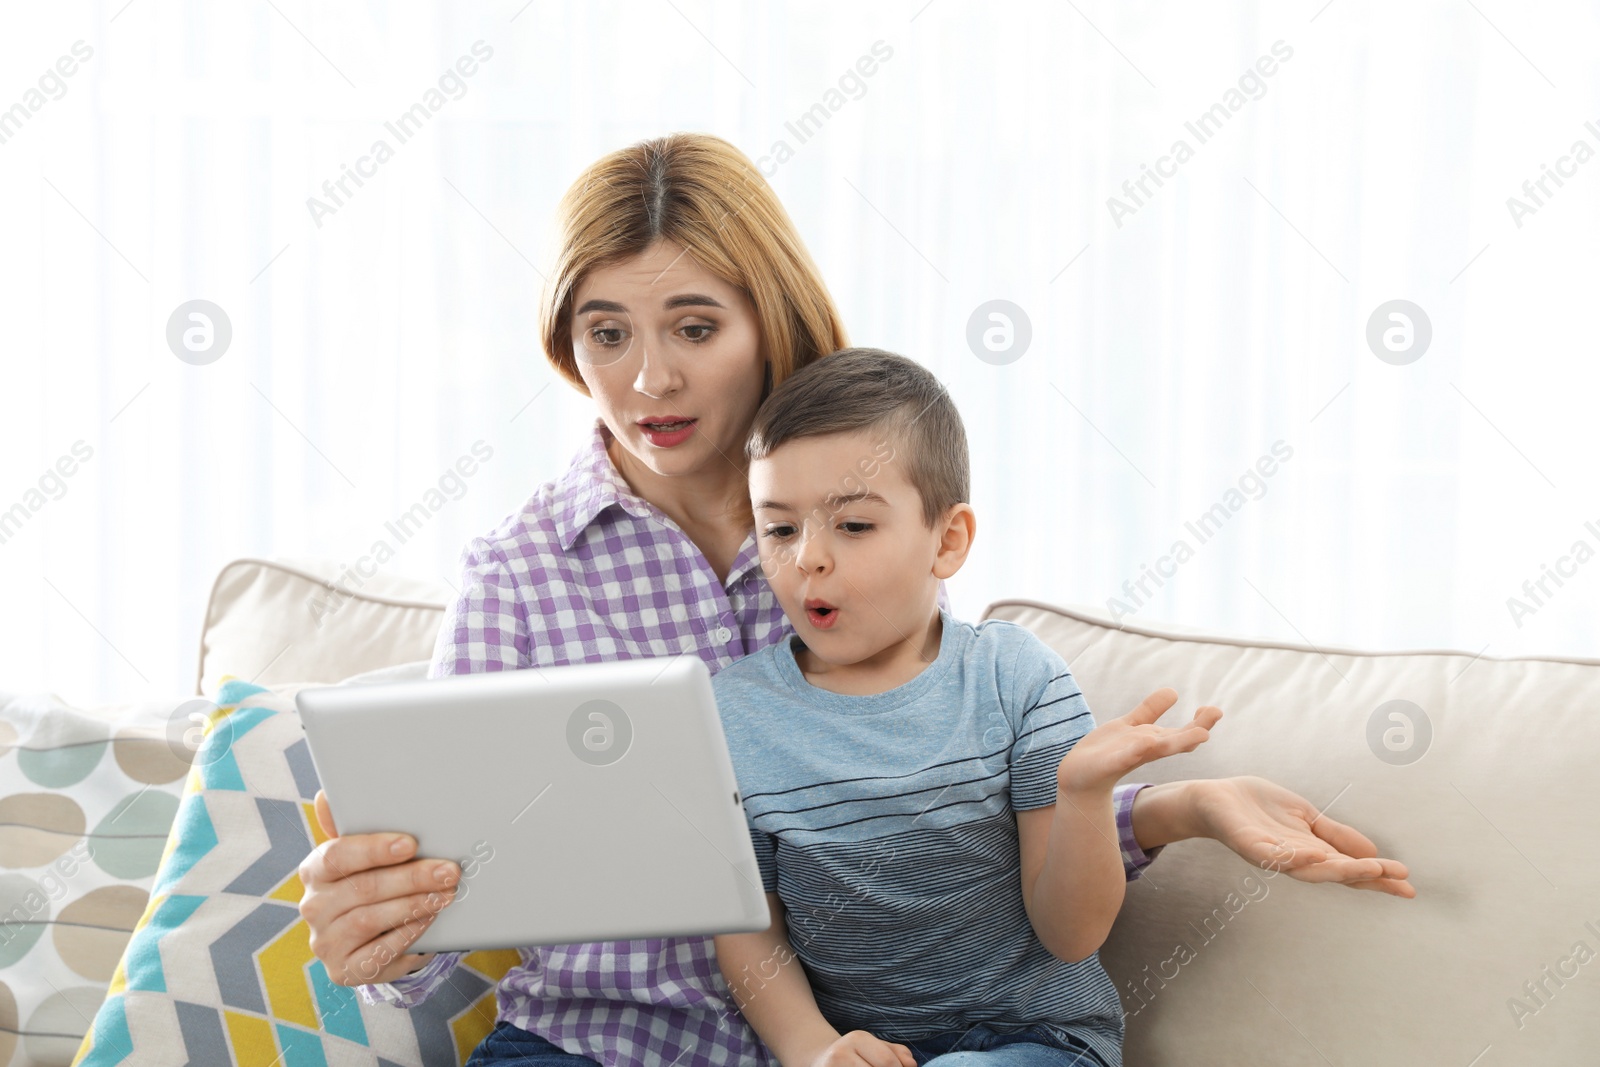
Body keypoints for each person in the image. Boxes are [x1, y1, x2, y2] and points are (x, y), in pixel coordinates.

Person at [296, 132, 1415, 1067]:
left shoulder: (874, 502)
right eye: (606, 333)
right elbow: (455, 892)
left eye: (694, 326)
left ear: (768, 318)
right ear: (565, 342)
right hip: (604, 1041)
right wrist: (381, 929)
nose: (649, 381)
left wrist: (1176, 805)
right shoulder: (520, 572)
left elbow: (955, 809)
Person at [712, 347, 1217, 1067]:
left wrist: (1081, 795)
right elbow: (750, 929)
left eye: (852, 525)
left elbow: (1072, 936)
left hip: (1040, 1042)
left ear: (946, 541)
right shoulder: (735, 713)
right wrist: (814, 1050)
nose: (808, 559)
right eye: (781, 528)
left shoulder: (1015, 676)